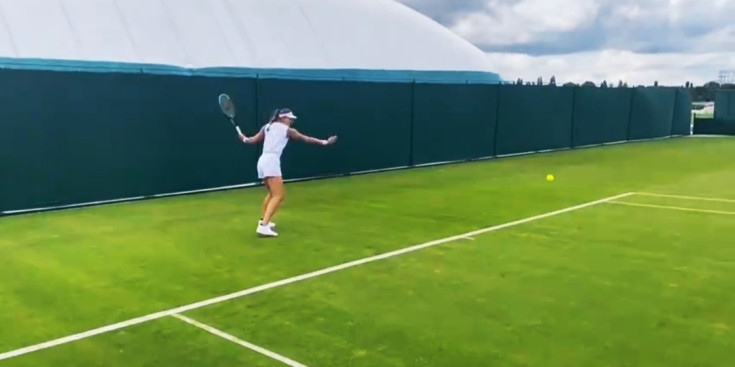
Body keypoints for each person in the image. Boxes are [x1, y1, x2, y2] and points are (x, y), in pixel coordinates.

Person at [238, 108, 337, 237]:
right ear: (282, 117)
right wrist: (324, 142)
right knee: (278, 196)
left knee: (272, 193)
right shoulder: (288, 131)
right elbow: (306, 139)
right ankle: (263, 227)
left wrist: (244, 138)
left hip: (262, 162)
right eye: (289, 118)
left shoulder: (266, 127)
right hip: (271, 163)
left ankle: (264, 221)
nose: (291, 121)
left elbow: (251, 140)